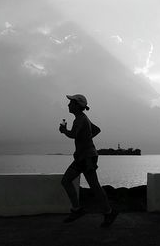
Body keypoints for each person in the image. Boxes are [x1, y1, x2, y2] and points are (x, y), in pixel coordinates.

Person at [59, 94, 119, 228]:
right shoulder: (83, 118)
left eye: (70, 103)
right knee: (70, 181)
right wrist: (86, 139)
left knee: (93, 186)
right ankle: (79, 210)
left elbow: (73, 134)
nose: (68, 105)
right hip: (84, 157)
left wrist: (64, 131)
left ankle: (106, 212)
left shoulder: (80, 120)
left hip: (87, 158)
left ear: (77, 105)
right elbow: (97, 130)